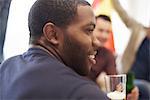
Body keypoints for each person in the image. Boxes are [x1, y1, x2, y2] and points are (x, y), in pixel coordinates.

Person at [0, 0, 108, 99]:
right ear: (53, 34)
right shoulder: (84, 93)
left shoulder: (5, 69)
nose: (97, 42)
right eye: (89, 30)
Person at [88, 14, 139, 100]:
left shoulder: (108, 54)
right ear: (91, 30)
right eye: (100, 30)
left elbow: (115, 80)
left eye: (108, 32)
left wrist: (122, 91)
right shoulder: (81, 49)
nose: (104, 35)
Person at [112, 0, 150, 99]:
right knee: (145, 88)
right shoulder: (138, 29)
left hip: (146, 81)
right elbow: (122, 13)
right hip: (129, 77)